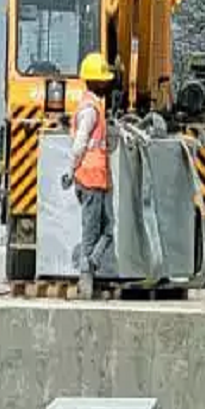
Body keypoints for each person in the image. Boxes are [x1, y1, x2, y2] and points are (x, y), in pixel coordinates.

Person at [61, 52, 115, 298]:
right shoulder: (90, 110)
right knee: (91, 233)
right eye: (104, 79)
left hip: (98, 179)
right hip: (90, 180)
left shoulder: (95, 107)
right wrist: (71, 171)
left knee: (108, 230)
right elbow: (81, 143)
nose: (108, 83)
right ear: (94, 81)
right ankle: (86, 282)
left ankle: (90, 264)